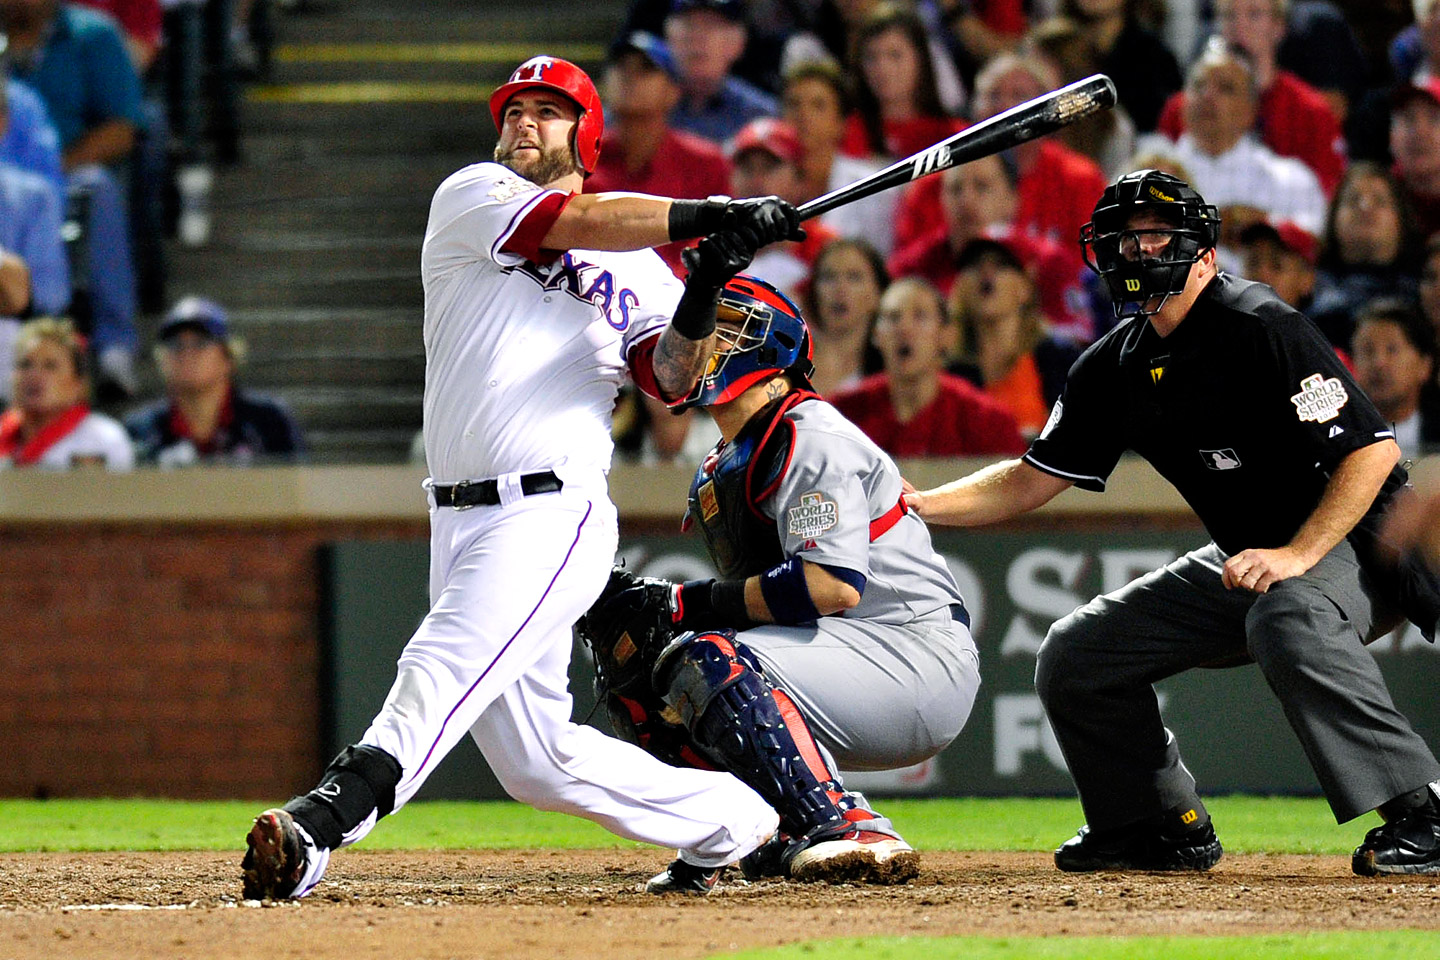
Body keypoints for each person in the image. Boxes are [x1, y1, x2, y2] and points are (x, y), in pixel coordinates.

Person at [239, 55, 807, 902]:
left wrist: (705, 280)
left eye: (548, 111)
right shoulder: (474, 195)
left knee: (439, 663)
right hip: (457, 516)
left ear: (588, 134)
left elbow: (672, 381)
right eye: (515, 110)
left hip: (554, 509)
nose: (524, 124)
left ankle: (321, 824)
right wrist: (705, 213)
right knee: (536, 761)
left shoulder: (643, 267)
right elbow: (580, 219)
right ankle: (737, 819)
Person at [907, 169, 1440, 877]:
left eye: (1154, 234)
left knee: (1286, 616)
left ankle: (1423, 812)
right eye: (1123, 238)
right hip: (1256, 556)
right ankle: (1156, 822)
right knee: (1077, 653)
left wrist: (1296, 553)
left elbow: (1373, 454)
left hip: (1362, 542)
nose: (1136, 250)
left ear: (1204, 253)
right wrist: (918, 506)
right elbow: (1031, 477)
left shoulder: (1261, 325)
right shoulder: (1113, 364)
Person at [576, 273, 980, 890]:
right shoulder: (722, 464)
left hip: (914, 654)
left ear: (774, 351)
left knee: (704, 658)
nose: (708, 343)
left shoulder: (808, 431)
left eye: (729, 329)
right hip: (844, 654)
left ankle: (846, 826)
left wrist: (687, 603)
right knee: (645, 669)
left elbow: (829, 585)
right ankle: (746, 833)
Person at [1133, 42, 1328, 259]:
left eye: (1226, 88)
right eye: (1199, 85)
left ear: (1251, 110)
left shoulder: (1289, 179)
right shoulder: (1145, 171)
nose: (1207, 96)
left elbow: (1314, 245)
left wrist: (1263, 224)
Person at [1154, 0, 1346, 195]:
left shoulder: (1311, 112)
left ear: (1278, 26)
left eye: (1254, 14)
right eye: (1228, 15)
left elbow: (1329, 197)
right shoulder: (1185, 107)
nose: (1239, 26)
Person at [830, 276, 1026, 457]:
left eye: (920, 316)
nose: (904, 328)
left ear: (946, 335)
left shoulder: (988, 423)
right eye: (892, 317)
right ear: (876, 335)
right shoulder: (838, 418)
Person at [587, 31, 731, 276]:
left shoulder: (706, 162)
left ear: (673, 91)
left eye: (645, 69)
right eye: (620, 67)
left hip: (682, 296)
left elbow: (716, 241)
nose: (629, 77)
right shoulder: (580, 159)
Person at [124, 296, 305, 466]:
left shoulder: (269, 422)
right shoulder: (140, 430)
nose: (187, 354)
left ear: (228, 358)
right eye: (175, 345)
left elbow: (297, 485)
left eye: (200, 343)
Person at [946, 237, 1083, 437]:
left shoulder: (1061, 361)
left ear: (1025, 288)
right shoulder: (950, 373)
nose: (986, 273)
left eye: (1001, 265)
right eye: (974, 265)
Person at [781, 60, 901, 256]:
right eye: (793, 104)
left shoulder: (871, 188)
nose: (803, 115)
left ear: (841, 123)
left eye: (818, 105)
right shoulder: (763, 182)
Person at [1308, 162, 1424, 349]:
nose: (1365, 207)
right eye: (1353, 200)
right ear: (1333, 218)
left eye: (1379, 200)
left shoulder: (1426, 291)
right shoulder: (1305, 287)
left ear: (1401, 219)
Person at [0, 316, 132, 469]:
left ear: (78, 384)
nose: (34, 374)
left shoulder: (104, 439)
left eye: (50, 366)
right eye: (25, 364)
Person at [839, 3, 962, 163]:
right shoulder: (844, 132)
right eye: (871, 57)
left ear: (921, 59)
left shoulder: (954, 135)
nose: (882, 68)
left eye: (895, 55)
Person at [663, 0, 776, 144]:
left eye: (710, 26)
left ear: (737, 44)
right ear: (669, 38)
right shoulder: (644, 106)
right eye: (688, 25)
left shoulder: (761, 117)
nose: (697, 36)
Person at [1350, 299, 1440, 456]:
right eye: (1367, 350)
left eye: (1392, 350)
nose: (1379, 363)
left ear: (1424, 365)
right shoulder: (1337, 437)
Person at [806, 236, 886, 397]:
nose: (840, 289)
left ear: (878, 292)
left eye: (854, 277)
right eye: (828, 277)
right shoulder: (790, 359)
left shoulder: (891, 365)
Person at [1237, 218, 1317, 314]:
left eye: (1276, 265)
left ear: (1307, 280)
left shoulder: (1328, 323)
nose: (1262, 276)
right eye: (1253, 263)